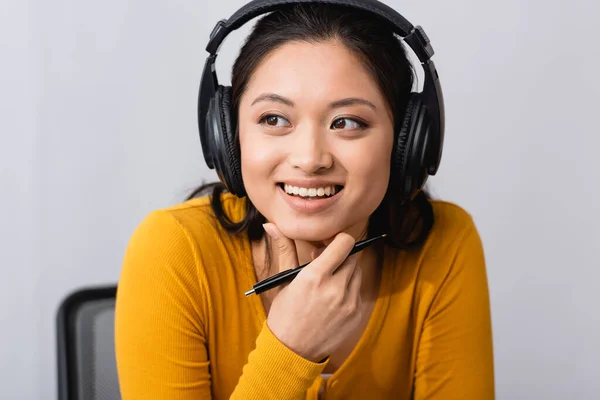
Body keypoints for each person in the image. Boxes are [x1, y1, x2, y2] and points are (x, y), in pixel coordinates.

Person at [115, 1, 494, 399]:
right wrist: (291, 350)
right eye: (274, 119)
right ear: (227, 135)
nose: (310, 159)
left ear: (407, 144)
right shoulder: (174, 249)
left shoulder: (444, 244)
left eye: (347, 122)